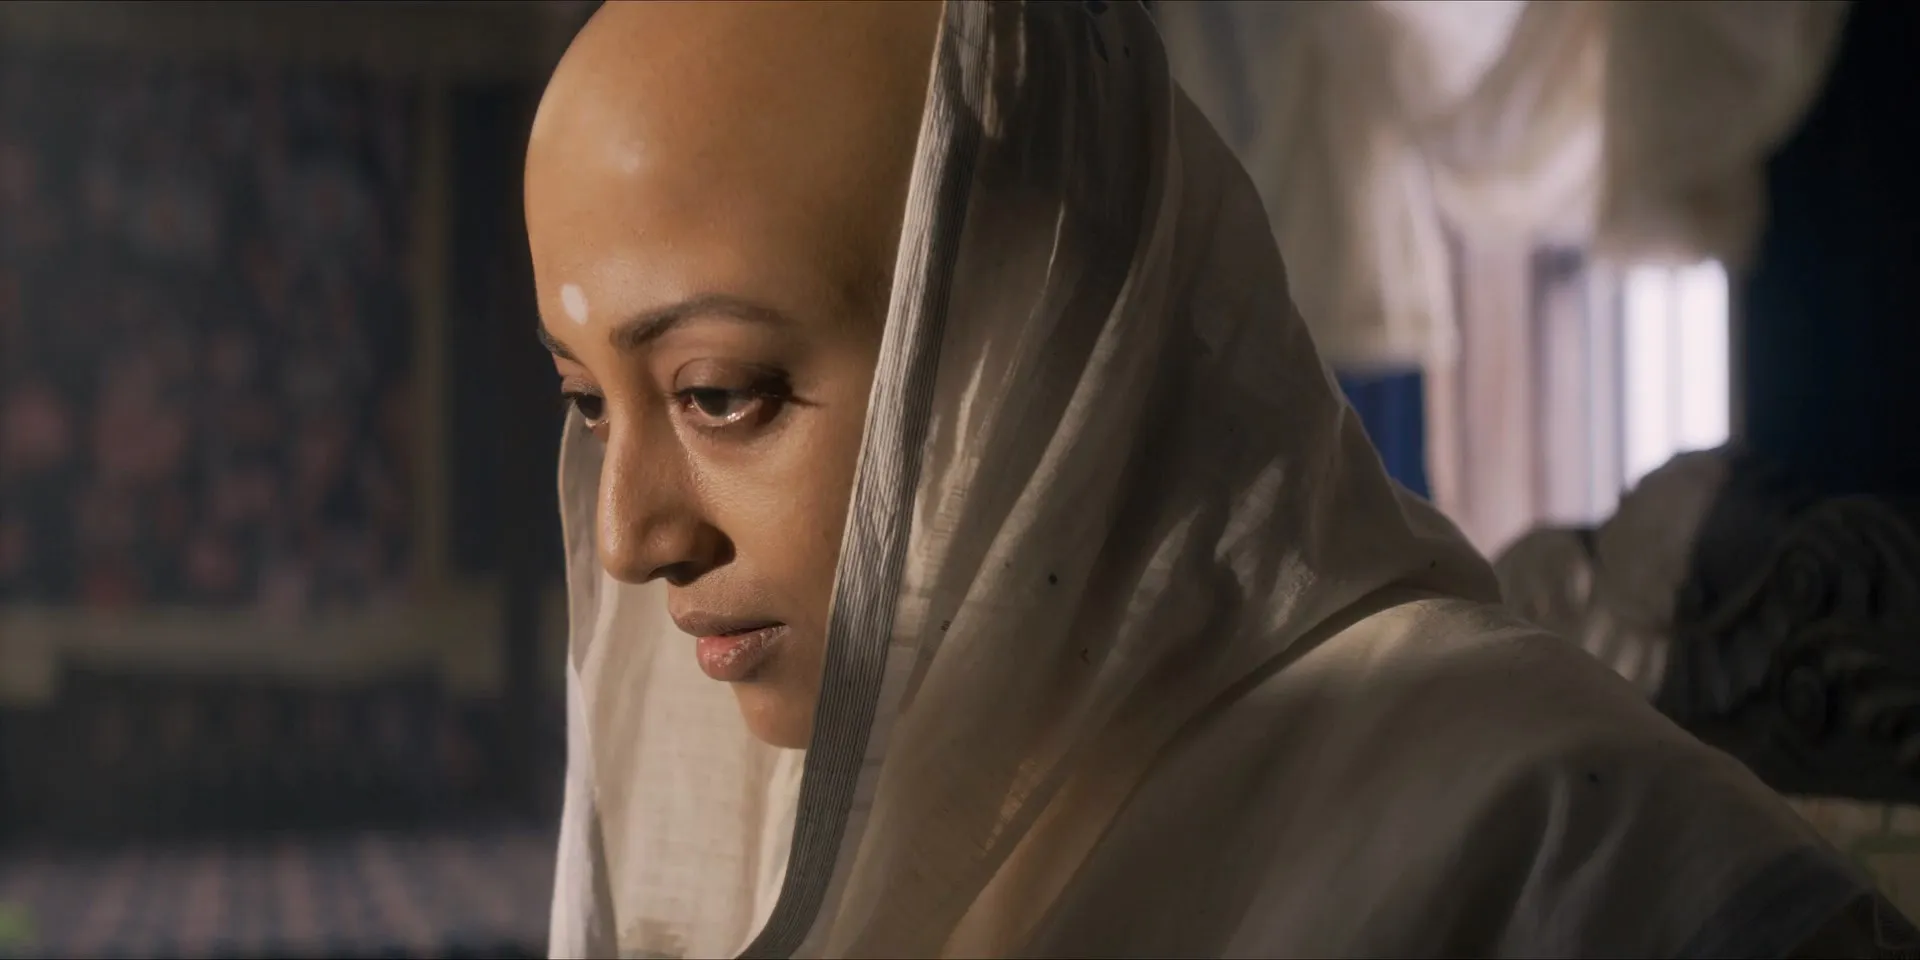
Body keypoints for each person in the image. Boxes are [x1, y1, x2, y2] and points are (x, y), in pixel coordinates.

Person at [525, 2, 1916, 957]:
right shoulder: (774, 815)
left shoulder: (1552, 857)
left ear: (1031, 333)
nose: (630, 537)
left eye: (720, 393)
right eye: (588, 401)